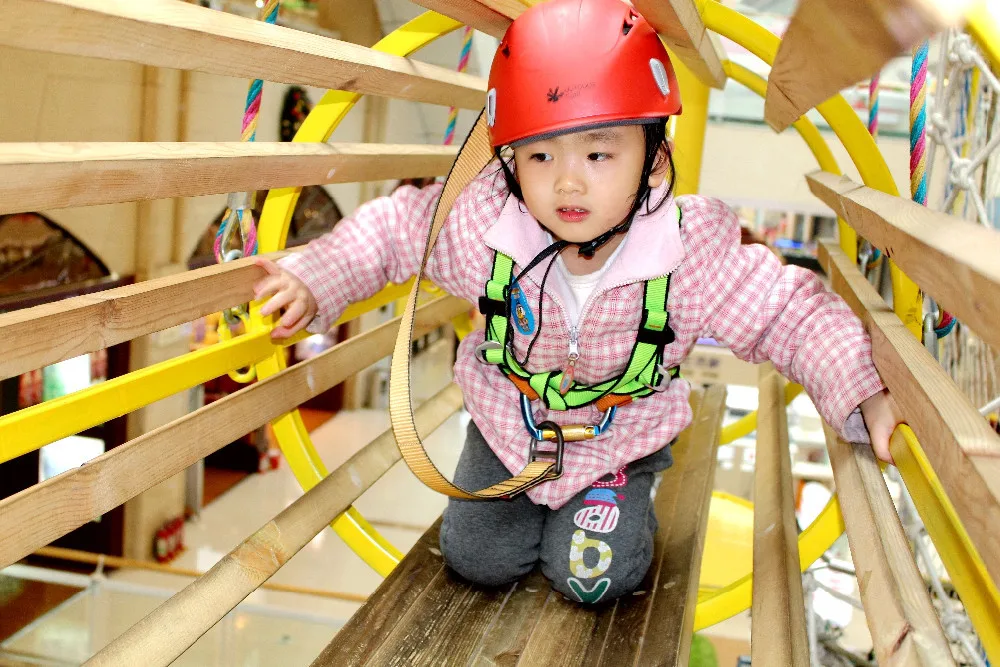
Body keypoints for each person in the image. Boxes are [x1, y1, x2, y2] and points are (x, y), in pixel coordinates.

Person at [253, 0, 902, 604]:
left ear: (653, 159)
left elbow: (786, 310)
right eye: (540, 154)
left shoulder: (687, 254)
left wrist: (858, 385)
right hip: (511, 424)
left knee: (594, 577)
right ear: (509, 161)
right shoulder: (488, 224)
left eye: (598, 152)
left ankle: (632, 483)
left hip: (618, 438)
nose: (568, 180)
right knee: (475, 557)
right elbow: (396, 231)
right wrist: (319, 276)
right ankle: (527, 508)